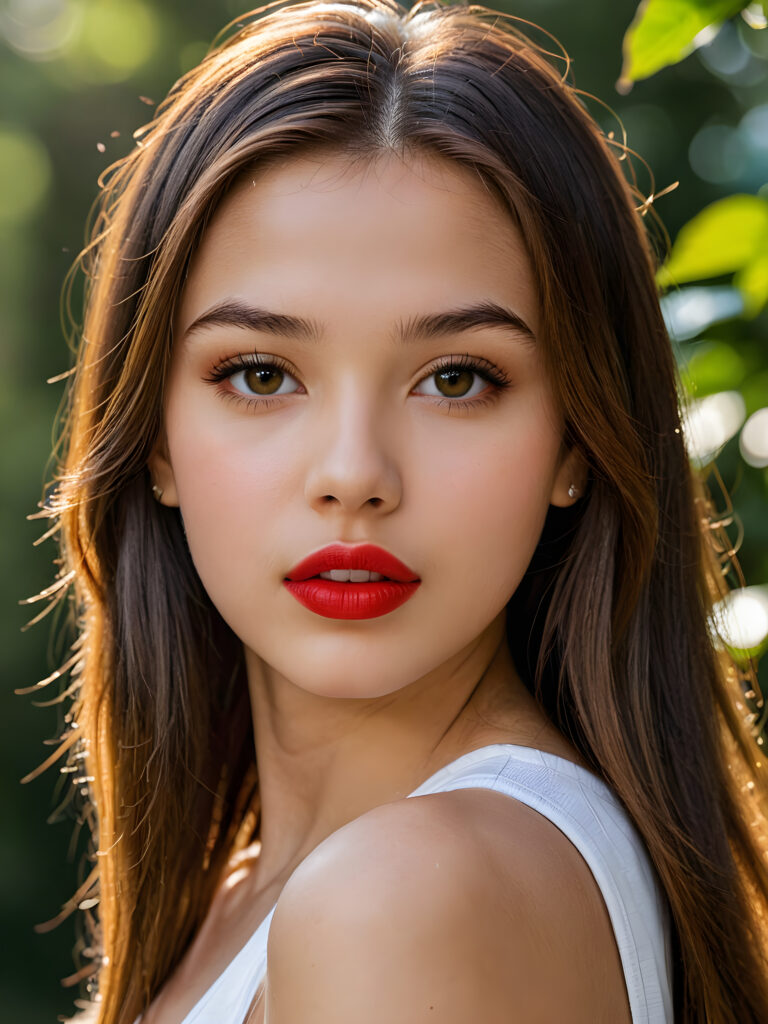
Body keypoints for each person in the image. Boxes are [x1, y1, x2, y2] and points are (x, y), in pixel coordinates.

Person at [28, 0, 768, 1021]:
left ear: (578, 440)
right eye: (259, 373)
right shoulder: (255, 891)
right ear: (153, 436)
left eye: (458, 378)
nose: (354, 472)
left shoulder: (406, 894)